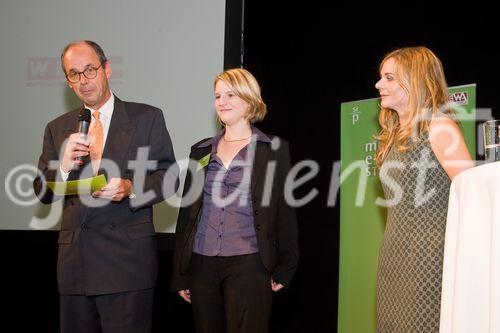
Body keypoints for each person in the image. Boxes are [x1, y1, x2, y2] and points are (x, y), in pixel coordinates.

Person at [33, 40, 178, 333]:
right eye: (74, 74)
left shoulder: (145, 118)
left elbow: (170, 177)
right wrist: (62, 166)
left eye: (90, 70)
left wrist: (130, 187)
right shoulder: (58, 128)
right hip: (77, 266)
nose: (84, 81)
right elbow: (42, 192)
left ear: (107, 69)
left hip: (126, 264)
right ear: (67, 81)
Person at [171, 68, 299, 333]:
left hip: (250, 263)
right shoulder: (201, 150)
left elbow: (284, 211)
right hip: (201, 263)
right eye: (218, 96)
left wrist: (286, 266)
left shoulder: (274, 149)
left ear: (249, 99)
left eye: (230, 95)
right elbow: (187, 214)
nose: (222, 102)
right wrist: (179, 272)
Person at [374, 46, 474, 332]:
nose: (379, 85)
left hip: (429, 261)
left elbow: (473, 196)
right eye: (381, 77)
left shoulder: (439, 127)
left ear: (416, 80)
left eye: (389, 78)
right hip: (393, 257)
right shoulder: (393, 136)